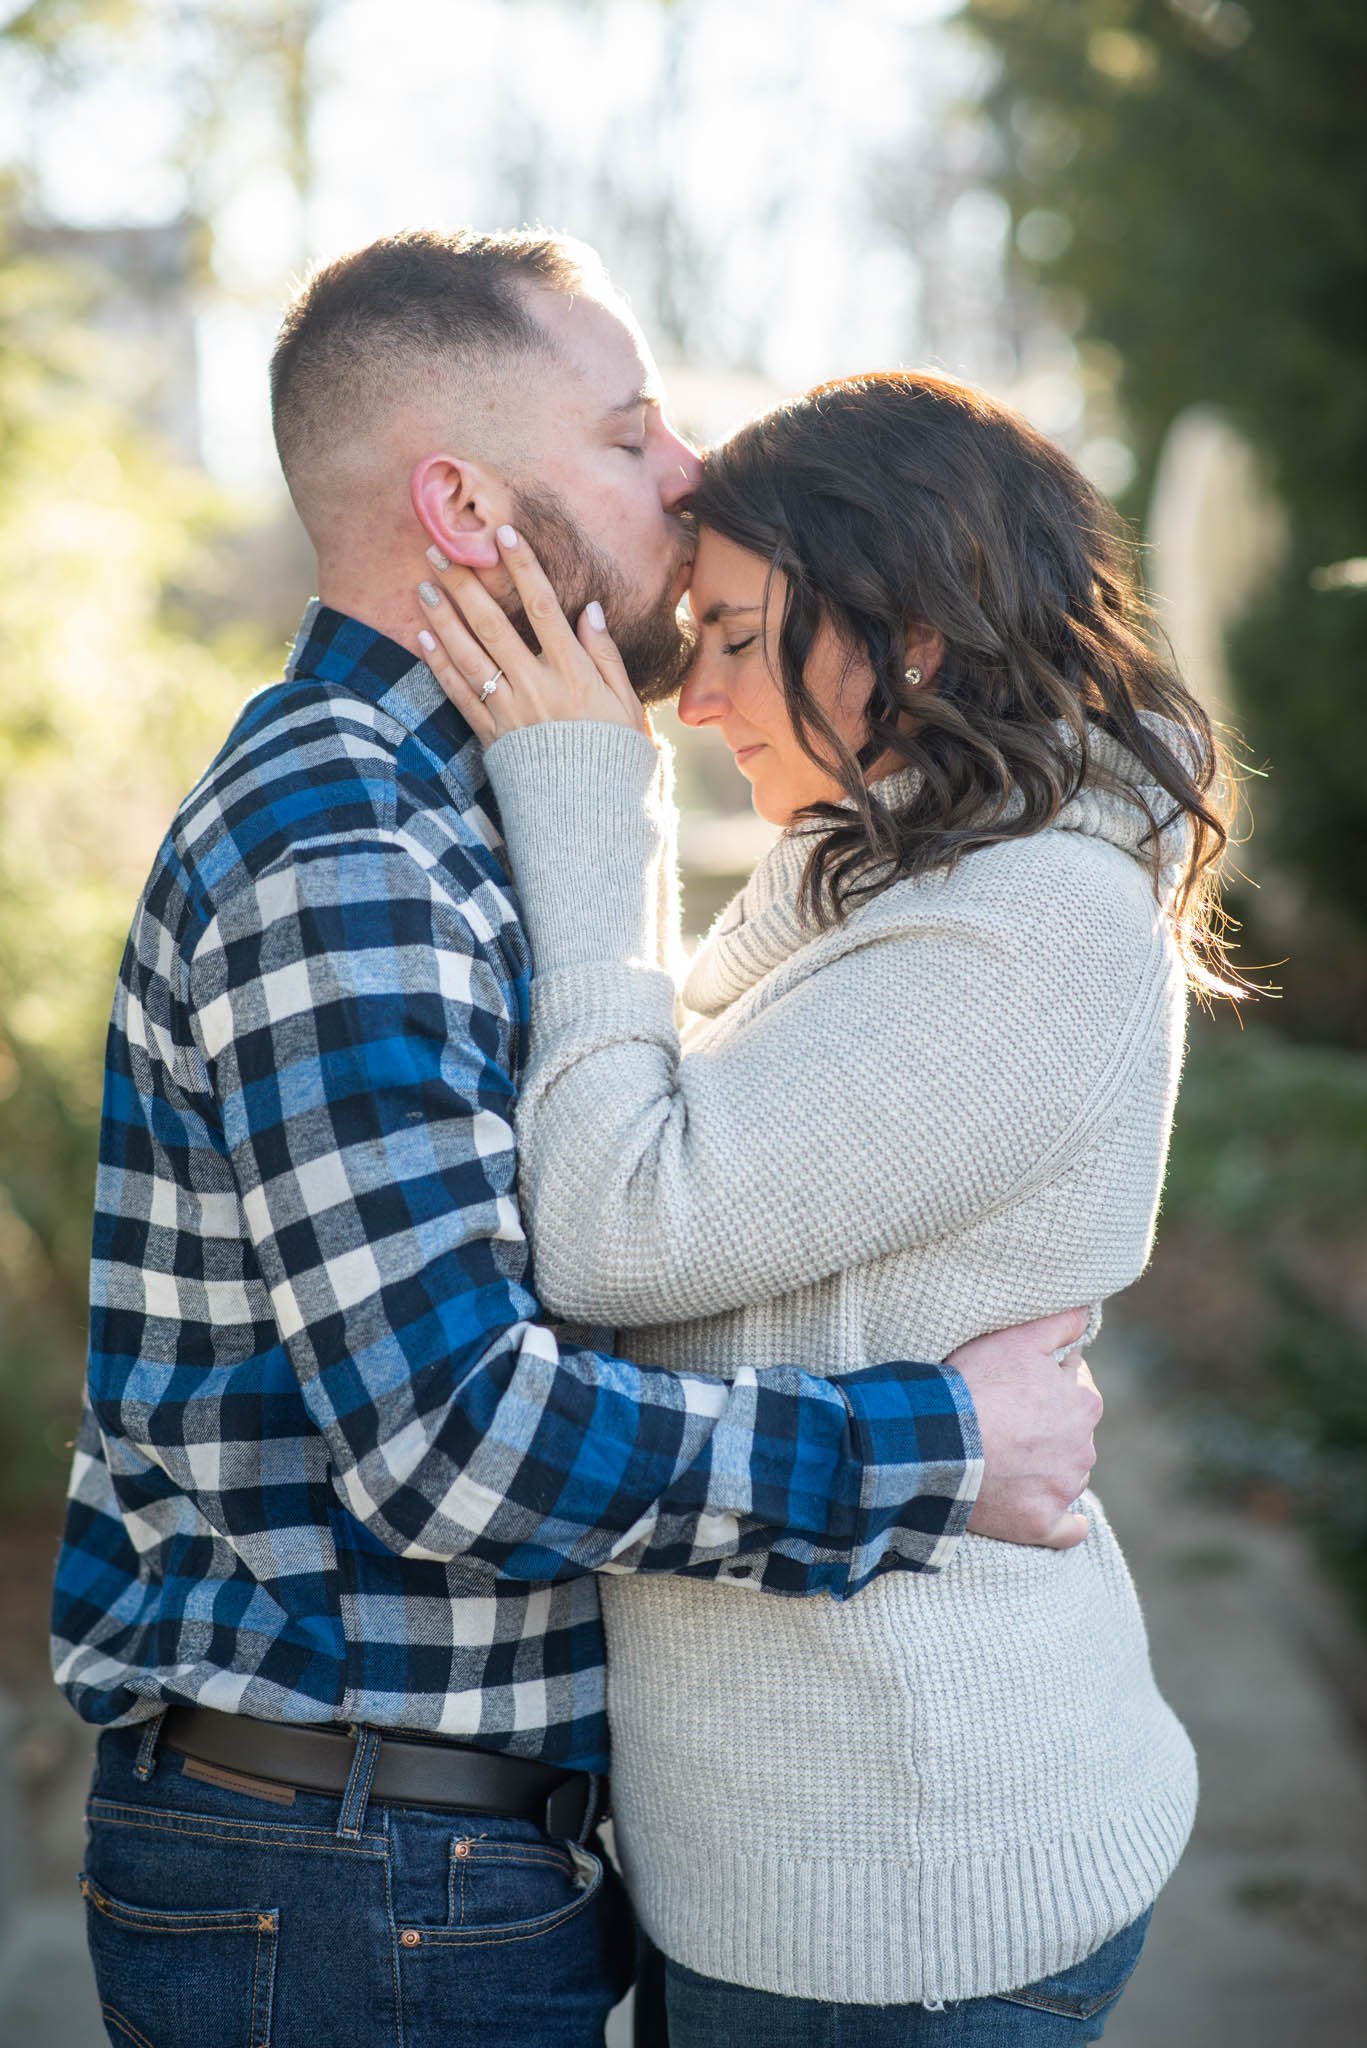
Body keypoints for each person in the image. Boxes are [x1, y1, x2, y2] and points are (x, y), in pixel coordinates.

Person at [50, 231, 1102, 2048]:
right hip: (350, 1875)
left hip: (407, 1859)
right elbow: (456, 1445)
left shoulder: (444, 814)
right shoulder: (348, 852)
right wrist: (939, 1444)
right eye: (628, 435)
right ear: (462, 504)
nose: (689, 473)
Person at [415, 366, 1232, 2044]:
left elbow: (617, 1218)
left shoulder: (1029, 927)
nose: (692, 698)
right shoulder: (878, 876)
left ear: (911, 635)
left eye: (732, 637)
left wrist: (587, 808)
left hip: (904, 1875)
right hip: (807, 1844)